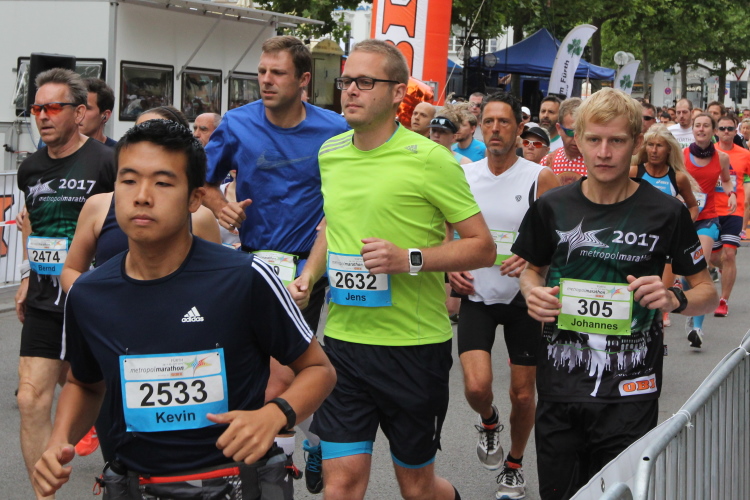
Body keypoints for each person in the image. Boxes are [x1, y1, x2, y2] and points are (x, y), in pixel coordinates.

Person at [32, 119, 336, 499]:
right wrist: (58, 440)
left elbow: (318, 369)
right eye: (129, 181)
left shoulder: (245, 277)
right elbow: (84, 383)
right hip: (133, 485)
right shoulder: (88, 294)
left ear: (194, 199)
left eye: (162, 183)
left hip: (238, 484)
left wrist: (275, 413)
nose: (142, 196)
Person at [289, 39, 495, 500]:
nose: (350, 90)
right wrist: (309, 275)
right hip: (344, 345)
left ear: (398, 92)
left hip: (413, 349)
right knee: (341, 486)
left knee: (417, 489)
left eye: (365, 82)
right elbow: (333, 225)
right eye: (346, 81)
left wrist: (410, 259)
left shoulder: (431, 160)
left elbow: (482, 248)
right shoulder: (331, 152)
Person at [512, 88, 718, 500]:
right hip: (560, 388)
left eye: (617, 141)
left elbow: (706, 292)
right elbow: (530, 270)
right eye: (594, 139)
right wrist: (532, 292)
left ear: (637, 143)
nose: (604, 152)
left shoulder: (667, 212)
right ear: (578, 139)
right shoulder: (552, 207)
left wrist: (674, 298)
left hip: (631, 392)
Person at [202, 35, 349, 494]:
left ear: (303, 80)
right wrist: (220, 205)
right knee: (255, 375)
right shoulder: (237, 123)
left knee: (280, 377)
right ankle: (313, 436)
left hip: (305, 269)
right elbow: (199, 182)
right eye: (262, 72)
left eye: (277, 73)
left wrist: (313, 272)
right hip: (251, 265)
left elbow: (343, 205)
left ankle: (271, 475)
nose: (266, 80)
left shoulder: (334, 129)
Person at [448, 92, 558, 500]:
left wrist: (533, 257)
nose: (495, 129)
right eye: (489, 122)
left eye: (504, 122)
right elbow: (444, 228)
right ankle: (489, 421)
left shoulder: (539, 177)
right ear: (480, 127)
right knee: (477, 387)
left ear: (519, 128)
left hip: (523, 299)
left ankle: (513, 465)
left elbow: (560, 238)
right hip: (477, 293)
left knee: (523, 393)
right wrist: (450, 265)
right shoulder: (465, 174)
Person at [15, 68, 116, 499]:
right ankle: (45, 495)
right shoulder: (30, 168)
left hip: (93, 300)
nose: (43, 116)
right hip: (43, 299)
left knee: (109, 393)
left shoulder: (107, 162)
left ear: (78, 114)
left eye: (53, 107)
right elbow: (35, 228)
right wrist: (26, 276)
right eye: (37, 108)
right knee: (29, 398)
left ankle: (122, 473)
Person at [630, 124, 700, 326]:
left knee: (659, 301)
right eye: (650, 145)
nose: (654, 150)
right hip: (636, 240)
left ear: (669, 149)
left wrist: (682, 228)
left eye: (659, 145)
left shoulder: (677, 178)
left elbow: (693, 207)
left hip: (666, 244)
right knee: (634, 293)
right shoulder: (633, 172)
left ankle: (659, 326)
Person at [683, 113, 735, 347]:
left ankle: (697, 328)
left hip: (708, 219)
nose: (701, 129)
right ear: (693, 130)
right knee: (686, 273)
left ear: (713, 130)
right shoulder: (682, 155)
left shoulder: (721, 157)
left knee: (699, 264)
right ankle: (691, 305)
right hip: (685, 219)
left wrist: (731, 193)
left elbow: (726, 180)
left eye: (706, 125)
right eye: (697, 126)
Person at [710, 115, 750, 316]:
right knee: (714, 257)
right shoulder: (708, 152)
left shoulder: (745, 155)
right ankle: (723, 268)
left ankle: (723, 300)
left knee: (729, 254)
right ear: (716, 131)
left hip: (734, 211)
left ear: (736, 131)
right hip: (711, 210)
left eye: (730, 129)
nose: (726, 132)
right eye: (722, 128)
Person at [545, 98, 585, 185]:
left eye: (580, 132)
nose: (576, 138)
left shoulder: (595, 162)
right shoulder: (548, 162)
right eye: (570, 132)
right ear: (559, 129)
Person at [80, 78, 117, 147]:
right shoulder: (61, 150)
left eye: (87, 108)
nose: (78, 113)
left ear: (105, 115)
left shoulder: (119, 152)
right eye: (76, 107)